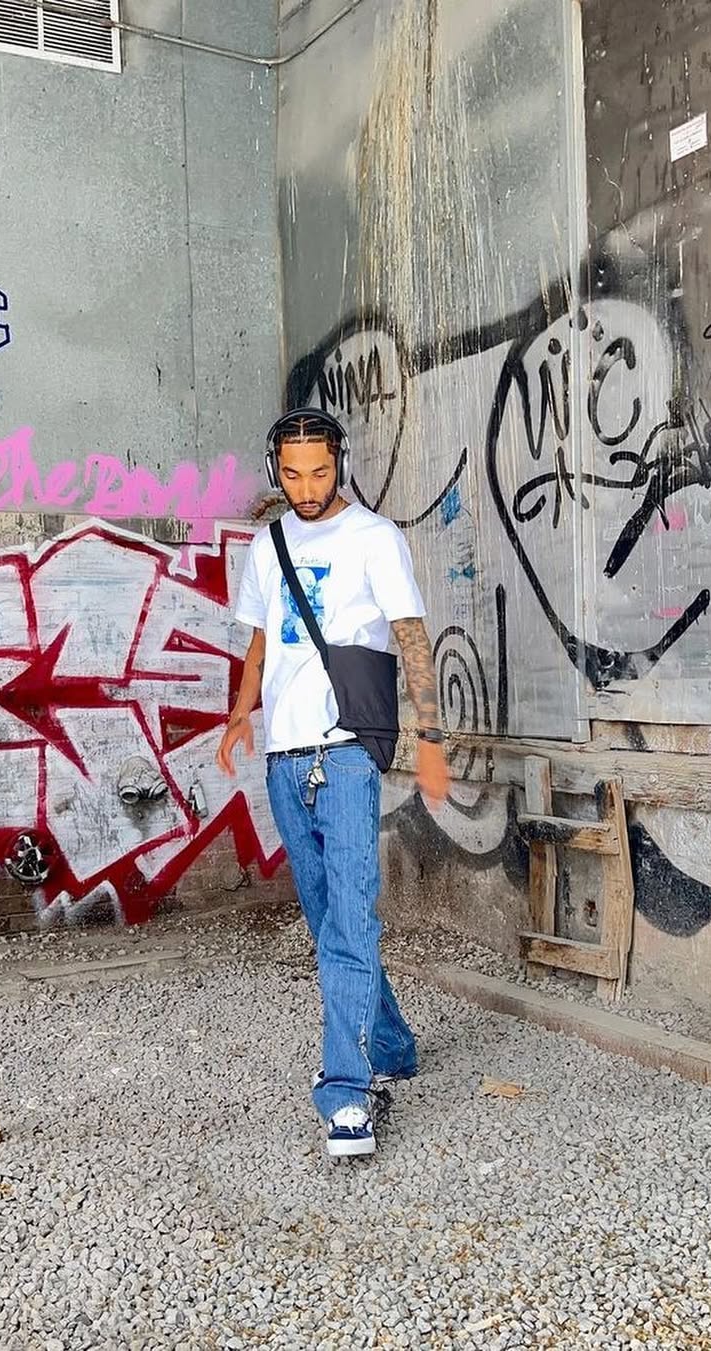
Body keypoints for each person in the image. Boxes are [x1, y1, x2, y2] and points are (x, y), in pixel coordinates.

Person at [216, 407, 450, 1159]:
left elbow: (411, 637)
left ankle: (346, 1092)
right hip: (284, 756)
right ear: (276, 471)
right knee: (326, 921)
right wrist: (240, 714)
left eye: (319, 472)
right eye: (292, 475)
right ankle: (393, 1043)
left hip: (345, 752)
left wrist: (431, 738)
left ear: (340, 464)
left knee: (350, 918)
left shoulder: (374, 538)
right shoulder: (269, 545)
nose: (307, 488)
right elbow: (261, 638)